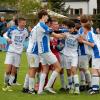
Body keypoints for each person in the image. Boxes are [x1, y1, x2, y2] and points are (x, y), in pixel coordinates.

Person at [35, 9, 66, 94]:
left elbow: (53, 32)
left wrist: (63, 32)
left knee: (45, 70)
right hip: (46, 51)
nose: (47, 18)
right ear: (43, 16)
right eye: (47, 16)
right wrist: (63, 36)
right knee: (58, 67)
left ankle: (40, 91)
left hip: (41, 51)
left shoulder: (38, 25)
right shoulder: (43, 25)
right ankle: (48, 86)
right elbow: (54, 34)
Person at [2, 18, 28, 92]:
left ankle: (9, 86)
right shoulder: (13, 29)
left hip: (18, 53)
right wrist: (7, 39)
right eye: (22, 23)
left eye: (25, 23)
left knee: (14, 71)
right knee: (7, 70)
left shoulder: (26, 31)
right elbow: (4, 34)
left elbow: (27, 38)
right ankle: (5, 83)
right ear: (19, 23)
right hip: (10, 51)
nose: (24, 24)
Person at [78, 23, 100, 94]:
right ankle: (95, 88)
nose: (82, 29)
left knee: (96, 71)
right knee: (95, 71)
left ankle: (95, 89)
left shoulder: (89, 34)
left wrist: (83, 41)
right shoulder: (90, 34)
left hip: (97, 53)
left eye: (83, 28)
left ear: (85, 28)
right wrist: (83, 39)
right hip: (95, 54)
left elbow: (92, 44)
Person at [62, 20, 80, 94]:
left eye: (70, 28)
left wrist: (81, 39)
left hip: (74, 55)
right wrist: (52, 33)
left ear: (74, 28)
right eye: (68, 28)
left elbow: (83, 40)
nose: (69, 29)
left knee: (74, 70)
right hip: (66, 55)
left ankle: (77, 89)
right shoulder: (66, 34)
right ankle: (71, 87)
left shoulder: (78, 35)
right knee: (68, 72)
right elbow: (58, 35)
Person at [78, 15, 92, 91]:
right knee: (81, 68)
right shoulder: (90, 28)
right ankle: (83, 84)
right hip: (87, 51)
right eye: (82, 22)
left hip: (84, 51)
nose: (83, 24)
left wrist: (82, 39)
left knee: (84, 68)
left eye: (84, 22)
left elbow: (80, 39)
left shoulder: (82, 29)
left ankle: (90, 85)